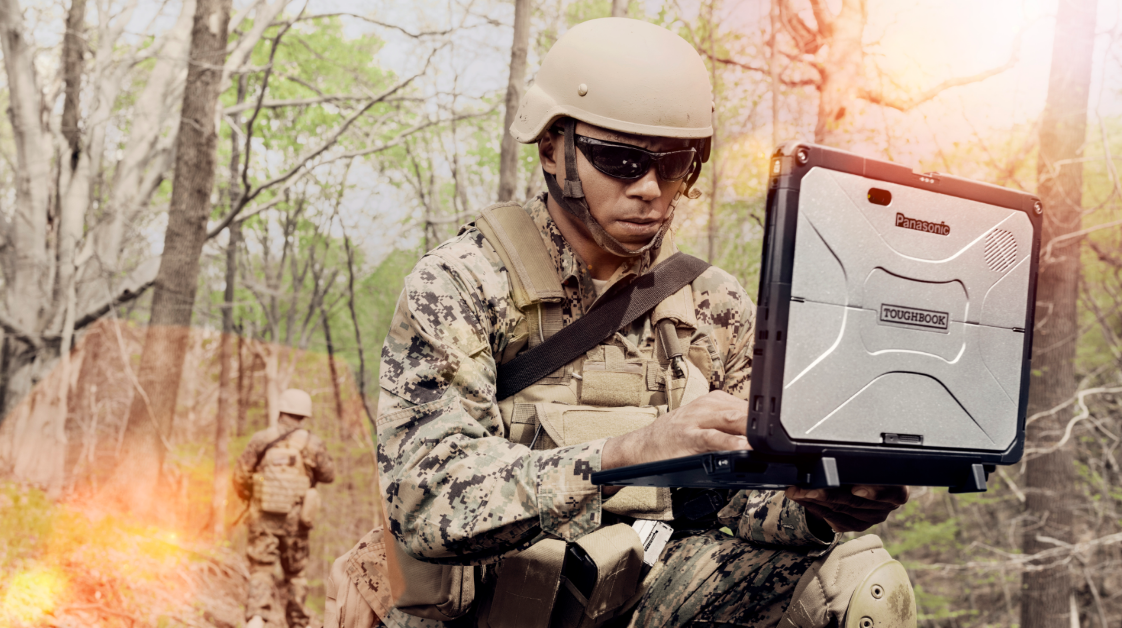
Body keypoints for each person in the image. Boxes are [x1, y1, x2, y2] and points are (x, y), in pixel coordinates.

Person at [374, 17, 913, 628]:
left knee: (861, 583)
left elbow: (740, 505)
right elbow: (426, 502)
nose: (652, 189)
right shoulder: (464, 284)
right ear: (553, 149)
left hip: (650, 599)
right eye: (621, 159)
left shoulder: (714, 305)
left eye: (675, 163)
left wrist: (817, 505)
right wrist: (631, 453)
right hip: (498, 609)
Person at [235, 388, 336, 628]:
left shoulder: (261, 439)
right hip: (297, 520)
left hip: (262, 517)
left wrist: (253, 497)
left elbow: (240, 475)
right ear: (304, 416)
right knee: (296, 574)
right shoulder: (312, 443)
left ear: (281, 411)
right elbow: (329, 474)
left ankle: (256, 619)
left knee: (261, 567)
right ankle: (298, 622)